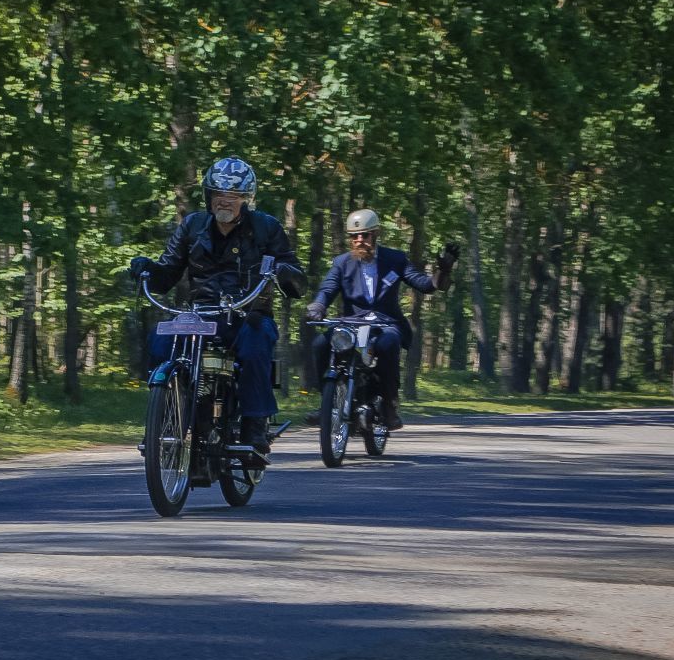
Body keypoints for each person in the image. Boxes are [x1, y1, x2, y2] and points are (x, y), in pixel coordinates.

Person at [129, 156, 307, 455]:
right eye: (218, 195)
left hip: (247, 313)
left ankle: (254, 422)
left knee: (256, 342)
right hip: (200, 314)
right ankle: (163, 418)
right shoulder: (192, 226)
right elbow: (166, 274)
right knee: (161, 341)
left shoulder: (267, 228)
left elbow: (297, 282)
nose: (224, 202)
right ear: (208, 196)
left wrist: (284, 272)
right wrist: (147, 268)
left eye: (233, 197)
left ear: (245, 200)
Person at [305, 209, 459, 430]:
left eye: (365, 235)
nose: (359, 240)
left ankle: (389, 404)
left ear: (375, 234)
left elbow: (426, 285)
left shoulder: (394, 259)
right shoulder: (342, 263)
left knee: (389, 344)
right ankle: (327, 403)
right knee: (320, 344)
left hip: (384, 323)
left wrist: (443, 271)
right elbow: (327, 289)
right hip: (352, 323)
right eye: (354, 236)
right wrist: (318, 306)